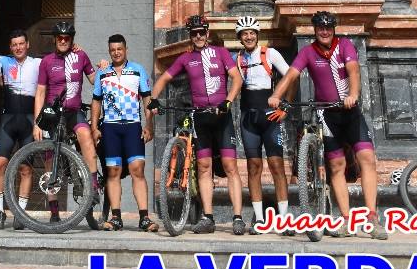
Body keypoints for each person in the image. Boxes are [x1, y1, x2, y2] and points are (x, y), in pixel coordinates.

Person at [268, 9, 388, 239]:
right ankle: (345, 219)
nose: (324, 31)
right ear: (315, 30)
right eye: (320, 28)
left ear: (333, 29)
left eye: (328, 28)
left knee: (367, 158)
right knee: (336, 166)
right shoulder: (308, 52)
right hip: (328, 115)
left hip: (350, 111)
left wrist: (353, 94)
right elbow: (291, 75)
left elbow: (354, 72)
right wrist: (277, 96)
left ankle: (372, 217)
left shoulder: (345, 46)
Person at [149, 14, 245, 235]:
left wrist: (228, 101)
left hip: (222, 116)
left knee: (230, 166)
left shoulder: (220, 53)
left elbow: (236, 79)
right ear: (191, 36)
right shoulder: (185, 58)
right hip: (201, 117)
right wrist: (154, 99)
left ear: (207, 33)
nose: (199, 36)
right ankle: (208, 217)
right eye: (195, 33)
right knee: (203, 167)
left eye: (202, 32)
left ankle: (238, 217)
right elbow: (163, 78)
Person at [91, 33, 158, 232]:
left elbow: (147, 98)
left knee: (138, 169)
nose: (116, 53)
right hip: (110, 127)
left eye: (119, 49)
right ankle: (116, 217)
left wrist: (149, 125)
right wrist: (95, 127)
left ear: (126, 49)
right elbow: (96, 101)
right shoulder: (103, 73)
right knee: (113, 172)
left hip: (132, 126)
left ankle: (145, 218)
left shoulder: (138, 70)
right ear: (109, 51)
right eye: (113, 50)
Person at [33, 20, 98, 222]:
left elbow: (95, 80)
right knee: (50, 158)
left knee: (86, 136)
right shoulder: (47, 61)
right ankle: (54, 211)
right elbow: (41, 91)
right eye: (59, 38)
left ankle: (93, 187)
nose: (63, 41)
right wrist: (37, 123)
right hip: (53, 113)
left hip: (73, 111)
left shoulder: (80, 56)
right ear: (55, 40)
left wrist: (105, 68)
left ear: (71, 40)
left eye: (66, 38)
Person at [234, 15, 292, 233]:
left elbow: (291, 77)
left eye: (252, 33)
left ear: (257, 35)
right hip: (248, 117)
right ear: (240, 38)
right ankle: (259, 219)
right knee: (253, 166)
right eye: (244, 34)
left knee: (277, 165)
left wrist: (286, 105)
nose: (248, 37)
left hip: (270, 117)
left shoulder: (270, 53)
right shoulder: (237, 58)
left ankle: (284, 219)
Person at [0, 29, 41, 230]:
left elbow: (60, 58)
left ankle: (20, 213)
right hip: (8, 119)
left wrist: (76, 48)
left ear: (28, 44)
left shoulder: (37, 63)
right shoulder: (3, 61)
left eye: (21, 44)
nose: (18, 47)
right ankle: (0, 211)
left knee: (26, 168)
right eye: (14, 45)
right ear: (10, 48)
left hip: (29, 121)